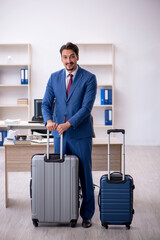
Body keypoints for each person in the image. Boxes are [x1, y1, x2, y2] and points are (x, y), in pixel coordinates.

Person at [42, 42, 97, 228]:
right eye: (65, 57)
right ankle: (65, 210)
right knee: (62, 175)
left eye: (72, 56)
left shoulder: (89, 78)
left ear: (77, 57)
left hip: (80, 135)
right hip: (59, 135)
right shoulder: (54, 78)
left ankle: (87, 215)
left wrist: (68, 124)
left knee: (84, 175)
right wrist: (49, 120)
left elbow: (86, 108)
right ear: (61, 58)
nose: (68, 60)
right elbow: (46, 103)